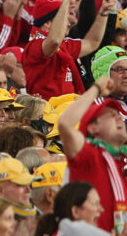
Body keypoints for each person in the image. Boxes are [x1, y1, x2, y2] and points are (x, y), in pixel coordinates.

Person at [58, 74, 127, 233]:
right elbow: (65, 124)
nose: (119, 119)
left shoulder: (119, 164)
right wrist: (96, 89)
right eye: (111, 115)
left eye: (120, 116)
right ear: (92, 128)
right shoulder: (89, 155)